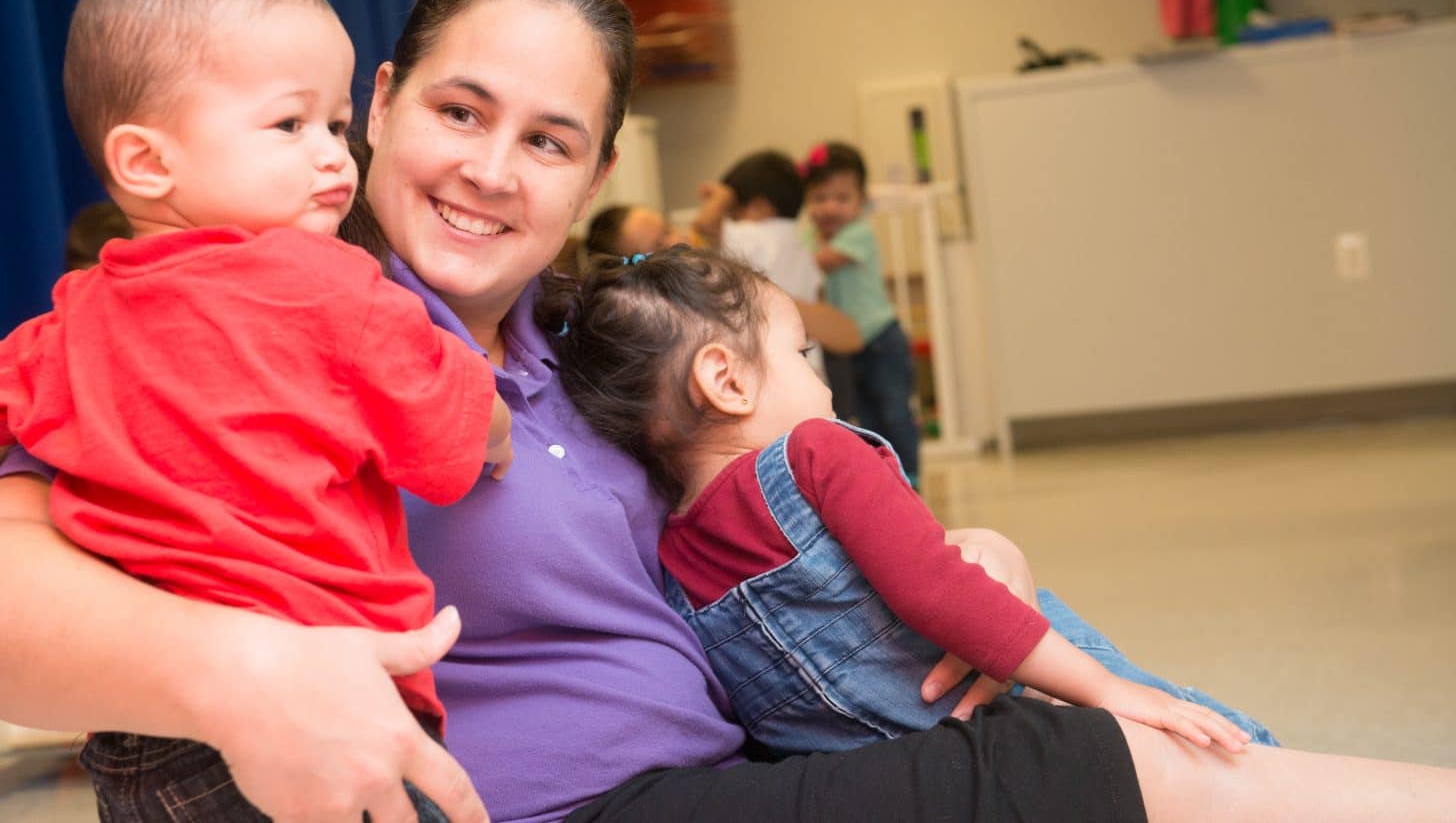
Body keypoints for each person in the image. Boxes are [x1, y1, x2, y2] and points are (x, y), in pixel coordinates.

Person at [0, 0, 1456, 823]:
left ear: (594, 175)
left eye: (549, 140)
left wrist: (960, 566)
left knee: (1121, 746)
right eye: (458, 108)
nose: (489, 172)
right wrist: (229, 679)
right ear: (374, 107)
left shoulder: (598, 355)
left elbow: (777, 501)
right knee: (1097, 773)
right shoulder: (264, 327)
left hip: (754, 760)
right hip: (561, 812)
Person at [0, 0, 510, 820]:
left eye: (334, 122)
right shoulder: (338, 290)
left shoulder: (67, 320)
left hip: (136, 729)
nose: (334, 158)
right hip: (324, 699)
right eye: (290, 126)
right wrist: (495, 426)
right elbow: (452, 452)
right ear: (145, 162)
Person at [544, 246, 1275, 759]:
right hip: (1021, 700)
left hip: (908, 773)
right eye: (801, 356)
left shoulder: (671, 554)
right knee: (1209, 739)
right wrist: (1107, 690)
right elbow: (936, 587)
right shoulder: (816, 453)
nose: (819, 380)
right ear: (728, 383)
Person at [802, 141, 923, 485]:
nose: (830, 208)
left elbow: (818, 264)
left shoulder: (858, 233)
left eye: (842, 199)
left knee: (895, 411)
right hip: (848, 345)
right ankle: (884, 477)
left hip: (881, 338)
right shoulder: (812, 236)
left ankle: (910, 477)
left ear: (861, 201)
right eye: (819, 199)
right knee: (864, 416)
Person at [692, 150, 863, 356]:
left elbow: (704, 226)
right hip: (807, 360)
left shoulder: (755, 235)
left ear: (758, 207)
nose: (732, 220)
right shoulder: (802, 246)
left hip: (769, 357)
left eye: (734, 212)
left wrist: (722, 196)